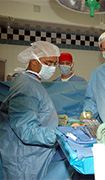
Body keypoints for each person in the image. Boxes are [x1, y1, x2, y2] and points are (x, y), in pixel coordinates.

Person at [0, 41, 63, 179]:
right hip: (24, 160)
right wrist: (60, 136)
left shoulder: (31, 82)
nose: (52, 67)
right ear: (34, 62)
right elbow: (26, 130)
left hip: (31, 155)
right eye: (48, 63)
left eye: (54, 63)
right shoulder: (26, 86)